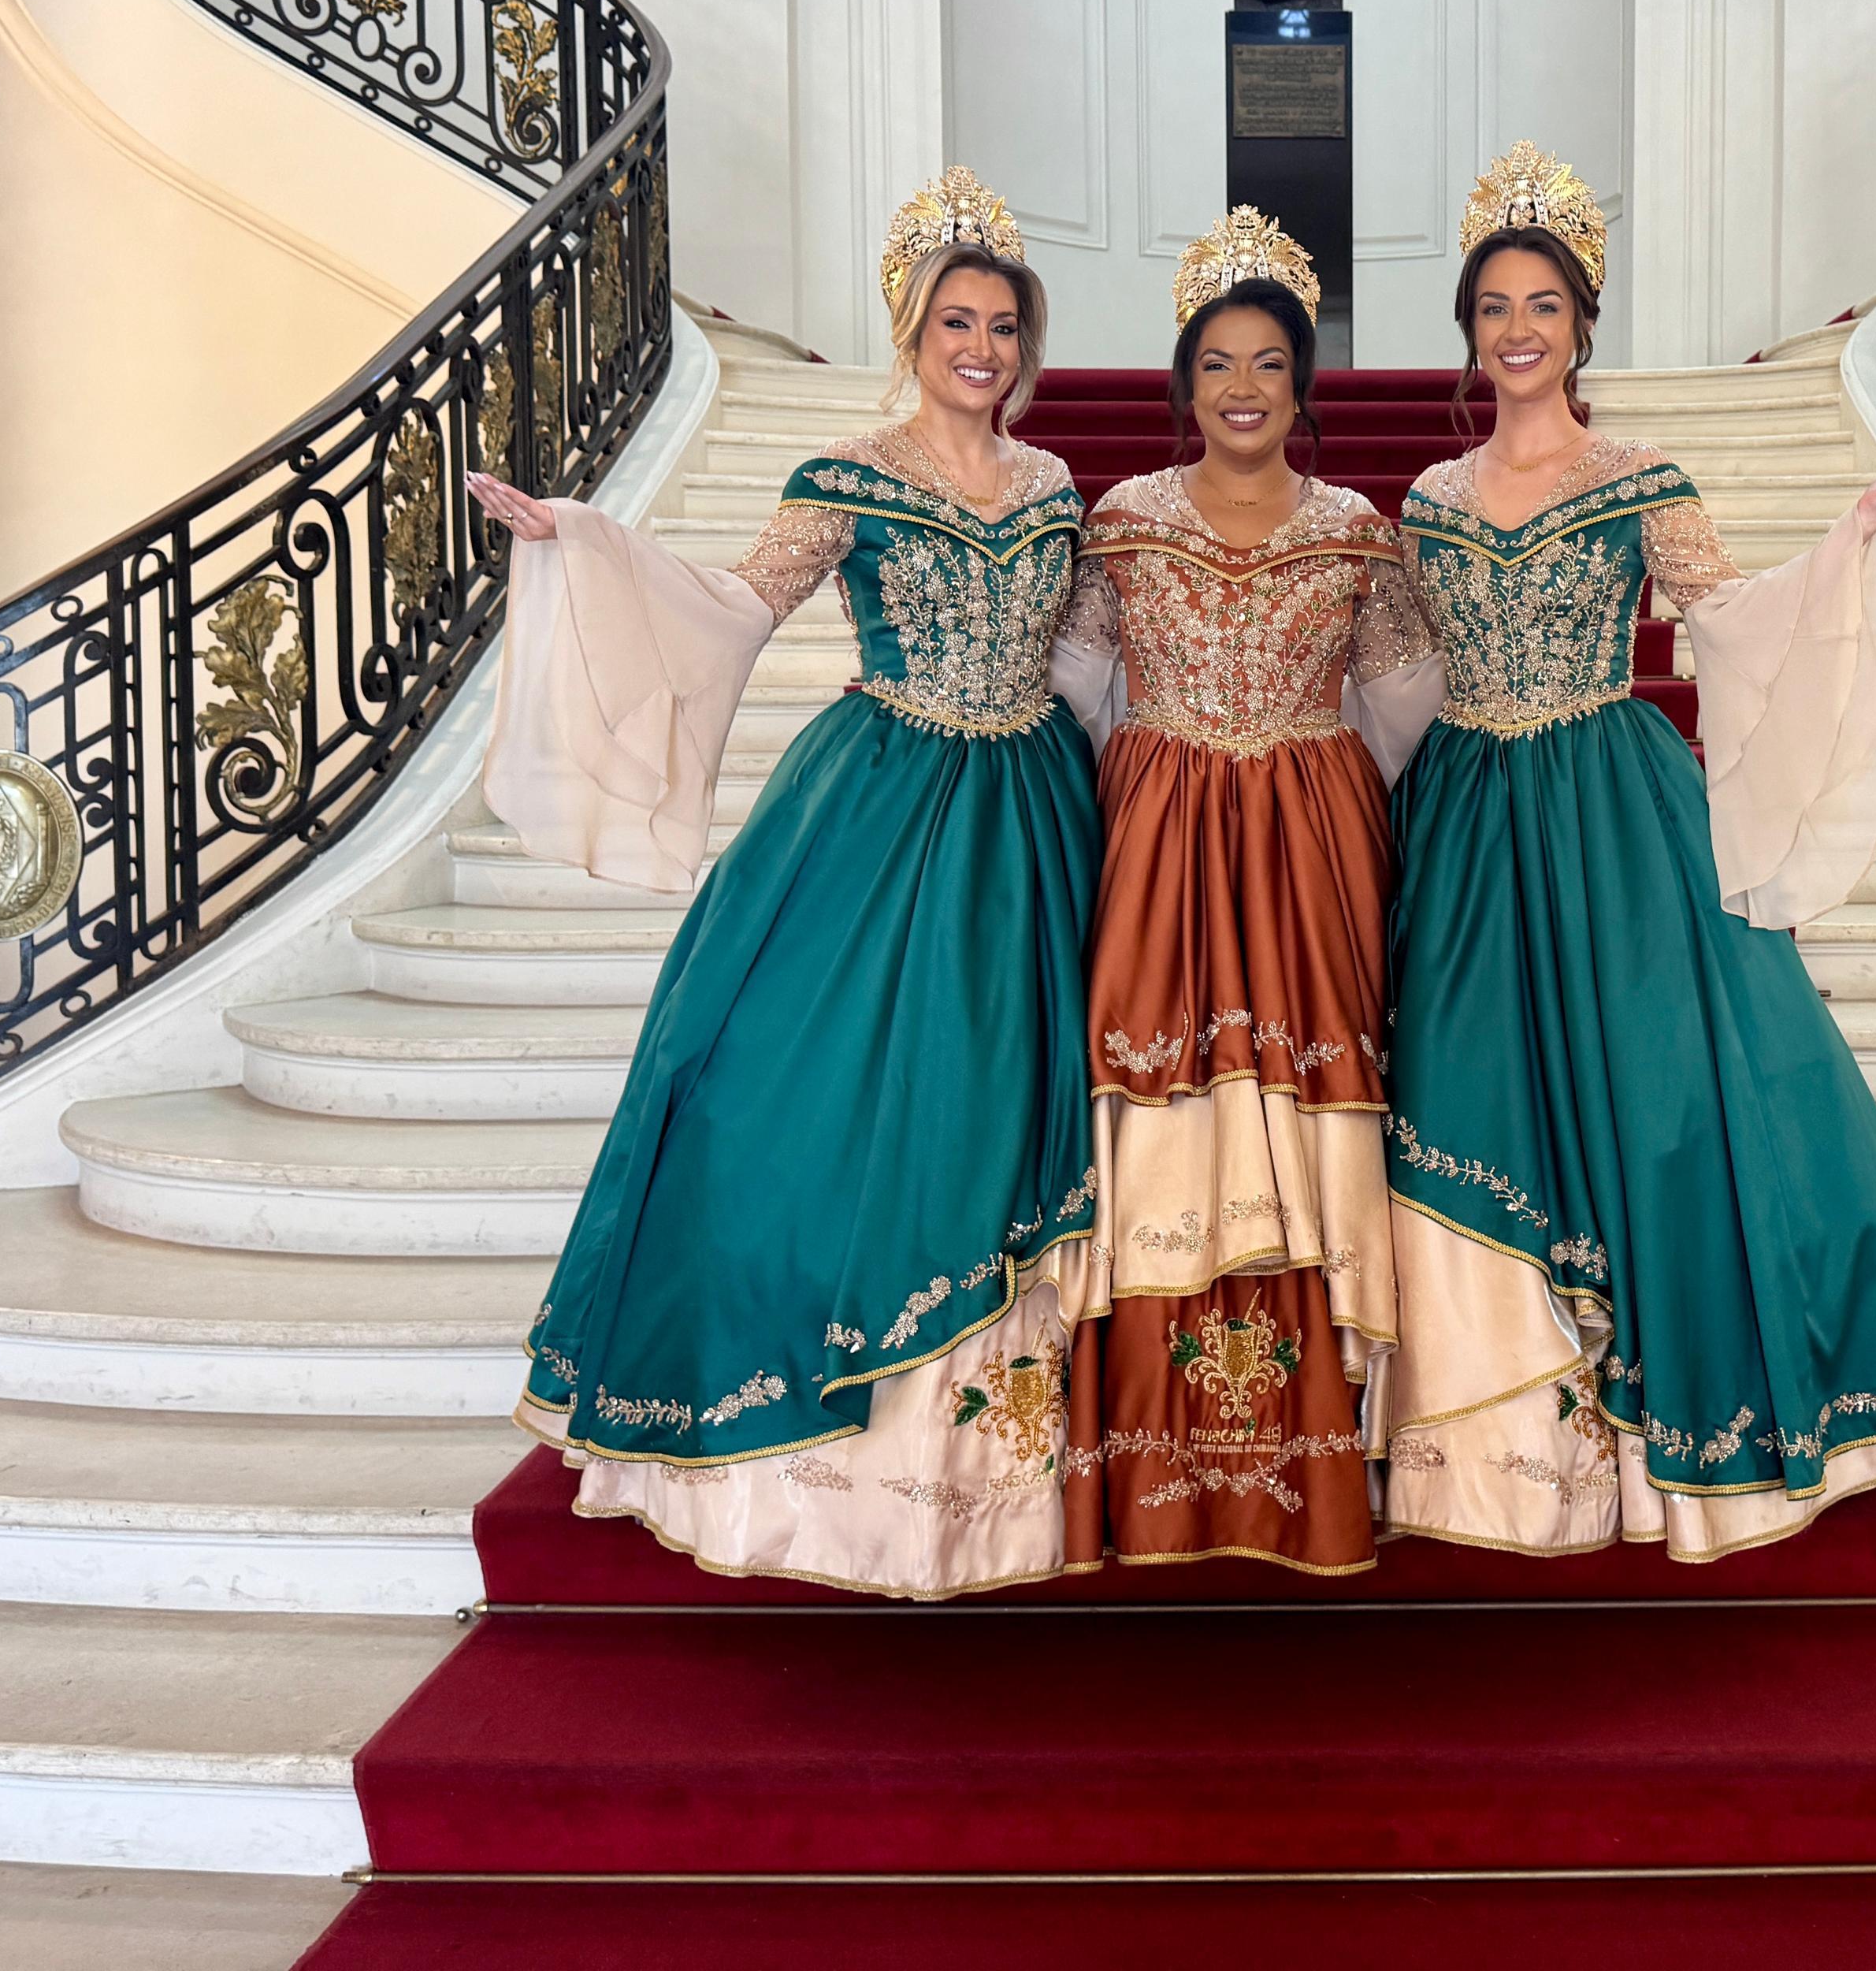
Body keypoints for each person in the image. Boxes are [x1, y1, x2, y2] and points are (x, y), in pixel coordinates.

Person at [466, 165, 1101, 1597]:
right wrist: (586, 541)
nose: (982, 349)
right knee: (782, 1089)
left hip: (1034, 822)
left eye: (1004, 326)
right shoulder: (847, 475)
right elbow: (735, 604)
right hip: (881, 810)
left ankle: (987, 1479)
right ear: (913, 331)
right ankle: (822, 1474)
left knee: (1009, 1106)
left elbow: (1084, 655)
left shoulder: (1055, 487)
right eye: (957, 323)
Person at [1361, 142, 1876, 1562]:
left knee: (1667, 1099)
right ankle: (1506, 1451)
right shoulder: (1432, 499)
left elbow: (1732, 618)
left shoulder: (1640, 475)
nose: (1517, 329)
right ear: (1468, 329)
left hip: (1611, 816)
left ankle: (1676, 1428)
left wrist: (1850, 533)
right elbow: (1397, 684)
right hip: (1467, 829)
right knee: (1469, 1087)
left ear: (1583, 323)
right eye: (1494, 308)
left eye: (1542, 305)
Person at [1050, 208, 1421, 1574]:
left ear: (1302, 383)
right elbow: (1069, 695)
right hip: (1157, 853)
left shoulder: (1358, 531)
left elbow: (1407, 711)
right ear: (1185, 381)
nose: (1244, 387)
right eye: (1218, 363)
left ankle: (1317, 1449)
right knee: (1159, 1105)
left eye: (1269, 363)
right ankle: (1154, 1454)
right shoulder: (1122, 523)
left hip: (1311, 856)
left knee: (1316, 1106)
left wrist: (1339, 812)